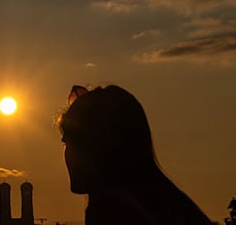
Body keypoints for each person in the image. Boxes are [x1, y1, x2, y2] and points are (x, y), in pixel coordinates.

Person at [57, 85, 213, 225]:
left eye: (71, 142)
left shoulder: (111, 209)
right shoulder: (172, 204)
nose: (67, 154)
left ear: (100, 144)